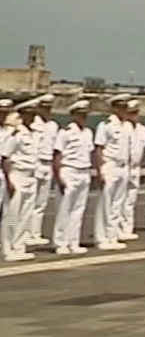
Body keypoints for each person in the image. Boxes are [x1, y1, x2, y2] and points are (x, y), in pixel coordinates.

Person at [88, 96, 132, 251]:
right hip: (110, 165)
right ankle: (101, 238)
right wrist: (100, 170)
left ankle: (112, 236)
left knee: (117, 204)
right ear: (115, 108)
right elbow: (99, 148)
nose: (125, 111)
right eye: (122, 107)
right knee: (105, 203)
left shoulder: (127, 126)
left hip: (123, 166)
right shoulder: (106, 125)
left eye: (126, 107)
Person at [50, 101, 94, 255]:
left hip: (84, 171)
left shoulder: (88, 132)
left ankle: (73, 241)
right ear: (73, 115)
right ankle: (60, 242)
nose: (83, 117)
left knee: (78, 209)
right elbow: (57, 155)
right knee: (64, 208)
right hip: (69, 170)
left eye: (85, 114)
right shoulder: (65, 132)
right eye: (80, 114)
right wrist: (58, 176)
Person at [0, 106, 38, 261]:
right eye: (29, 115)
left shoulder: (31, 133)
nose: (32, 118)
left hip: (30, 175)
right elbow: (5, 158)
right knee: (11, 214)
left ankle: (19, 247)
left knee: (25, 215)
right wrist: (9, 180)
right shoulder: (15, 133)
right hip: (17, 175)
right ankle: (8, 248)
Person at [22, 97, 55, 248]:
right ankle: (25, 233)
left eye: (49, 108)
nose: (47, 111)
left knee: (41, 203)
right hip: (36, 164)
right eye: (44, 108)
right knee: (29, 202)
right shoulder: (34, 125)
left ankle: (35, 232)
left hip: (48, 163)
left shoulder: (53, 125)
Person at [117, 98, 145, 242]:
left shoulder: (143, 129)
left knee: (131, 200)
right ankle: (117, 228)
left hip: (136, 167)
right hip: (125, 166)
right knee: (120, 199)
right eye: (132, 113)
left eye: (136, 113)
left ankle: (127, 228)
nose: (135, 116)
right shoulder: (123, 127)